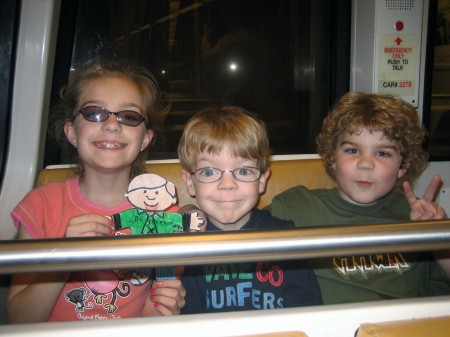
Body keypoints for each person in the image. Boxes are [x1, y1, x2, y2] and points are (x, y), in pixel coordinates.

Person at [7, 59, 186, 323]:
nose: (112, 125)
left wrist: (163, 307)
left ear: (145, 138)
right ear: (72, 132)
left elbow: (155, 308)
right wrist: (64, 258)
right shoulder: (40, 206)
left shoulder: (162, 209)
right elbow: (18, 320)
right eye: (94, 112)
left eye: (129, 116)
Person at [266, 91, 450, 305]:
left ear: (403, 166)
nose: (365, 163)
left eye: (382, 153)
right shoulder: (295, 207)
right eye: (353, 150)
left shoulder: (417, 215)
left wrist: (436, 237)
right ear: (332, 158)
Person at [177, 105, 322, 314]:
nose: (228, 184)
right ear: (189, 182)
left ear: (262, 180)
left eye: (243, 170)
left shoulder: (287, 240)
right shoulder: (184, 245)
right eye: (209, 171)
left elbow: (309, 316)